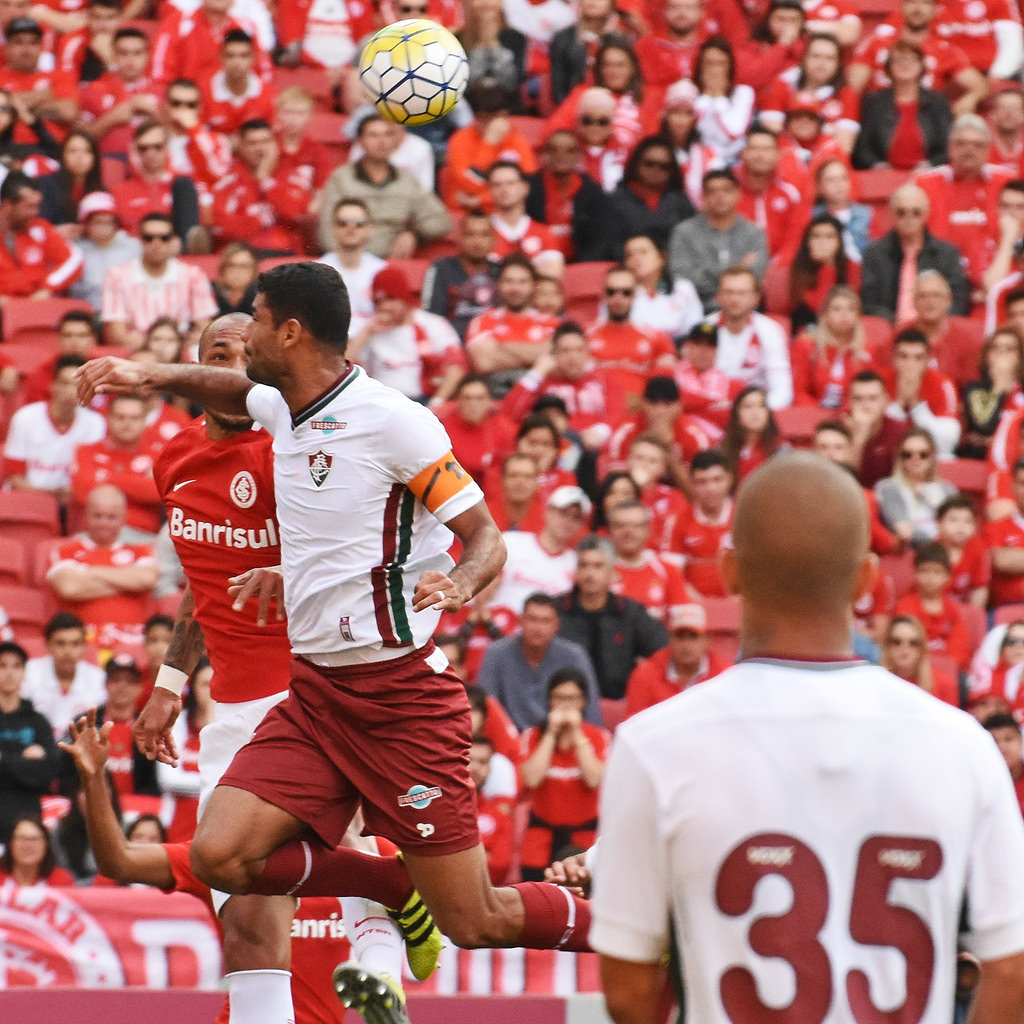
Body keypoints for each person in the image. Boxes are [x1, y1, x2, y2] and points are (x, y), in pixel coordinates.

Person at [77, 261, 596, 972]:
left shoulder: (394, 423)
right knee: (220, 854)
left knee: (477, 918)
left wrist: (461, 582)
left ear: (289, 331)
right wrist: (146, 375)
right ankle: (388, 881)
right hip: (317, 697)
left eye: (255, 320)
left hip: (401, 701)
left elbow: (487, 538)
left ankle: (635, 929)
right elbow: (231, 389)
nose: (246, 333)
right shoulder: (283, 404)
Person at [591, 452, 1024, 1024]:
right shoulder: (962, 742)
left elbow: (628, 992)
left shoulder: (653, 744)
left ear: (729, 571)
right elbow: (1013, 966)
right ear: (867, 577)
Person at [317, 114, 452, 259]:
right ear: (360, 141)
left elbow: (441, 221)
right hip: (347, 261)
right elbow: (326, 232)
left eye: (388, 135)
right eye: (373, 135)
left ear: (396, 141)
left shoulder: (406, 180)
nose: (381, 142)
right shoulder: (341, 178)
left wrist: (414, 234)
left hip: (389, 263)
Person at [518, 668, 609, 881]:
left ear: (583, 701)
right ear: (549, 700)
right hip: (540, 837)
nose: (565, 704)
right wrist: (550, 734)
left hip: (583, 838)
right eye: (559, 698)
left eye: (572, 698)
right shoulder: (533, 736)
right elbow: (531, 778)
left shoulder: (598, 737)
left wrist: (577, 733)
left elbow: (594, 778)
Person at [555, 536, 668, 701]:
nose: (590, 573)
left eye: (598, 566)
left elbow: (663, 651)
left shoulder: (630, 612)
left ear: (611, 572)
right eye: (584, 565)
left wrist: (643, 678)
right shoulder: (556, 610)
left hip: (620, 701)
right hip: (564, 701)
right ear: (576, 571)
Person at [477, 591, 602, 732]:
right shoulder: (496, 653)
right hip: (508, 743)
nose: (538, 628)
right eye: (532, 619)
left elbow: (591, 714)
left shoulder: (575, 657)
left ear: (557, 625)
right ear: (520, 621)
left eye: (546, 621)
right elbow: (485, 708)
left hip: (561, 739)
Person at [348, 264, 467, 405]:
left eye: (391, 299)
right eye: (379, 302)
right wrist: (367, 332)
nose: (385, 307)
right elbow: (341, 367)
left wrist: (436, 403)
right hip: (382, 403)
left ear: (405, 299)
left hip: (425, 400)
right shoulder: (369, 328)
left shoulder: (431, 323)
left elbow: (457, 366)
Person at [100, 211, 218, 349]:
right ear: (140, 239)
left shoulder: (193, 275)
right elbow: (116, 335)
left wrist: (173, 348)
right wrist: (156, 350)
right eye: (149, 238)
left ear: (173, 240)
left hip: (179, 351)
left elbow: (205, 328)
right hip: (135, 353)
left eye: (164, 238)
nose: (156, 243)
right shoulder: (116, 276)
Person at [3, 353, 105, 510]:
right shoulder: (26, 417)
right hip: (28, 497)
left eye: (77, 384)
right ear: (53, 385)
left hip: (72, 502)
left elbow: (91, 476)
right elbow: (16, 479)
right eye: (65, 383)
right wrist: (50, 495)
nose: (71, 390)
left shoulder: (95, 423)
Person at [860, 183, 969, 322]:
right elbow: (870, 303)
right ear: (891, 214)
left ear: (926, 215)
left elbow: (957, 301)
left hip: (934, 329)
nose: (908, 218)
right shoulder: (873, 254)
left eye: (916, 212)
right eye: (901, 212)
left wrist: (934, 325)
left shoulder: (947, 253)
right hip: (891, 330)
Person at [668, 169, 769, 313]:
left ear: (738, 194)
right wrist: (738, 269)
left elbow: (755, 275)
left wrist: (705, 271)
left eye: (726, 190)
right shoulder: (684, 232)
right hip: (697, 309)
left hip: (745, 311)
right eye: (712, 191)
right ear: (703, 196)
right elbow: (683, 275)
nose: (720, 196)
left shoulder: (753, 233)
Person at [851, 40, 952, 172]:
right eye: (898, 60)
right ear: (888, 67)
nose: (904, 64)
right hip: (882, 177)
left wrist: (931, 164)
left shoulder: (938, 102)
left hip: (927, 174)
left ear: (922, 66)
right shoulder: (873, 102)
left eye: (911, 60)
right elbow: (862, 148)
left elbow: (948, 146)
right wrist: (876, 165)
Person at [704, 265, 794, 409]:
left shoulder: (770, 331)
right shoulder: (704, 328)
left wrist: (750, 411)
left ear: (756, 298)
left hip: (756, 411)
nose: (734, 299)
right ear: (718, 296)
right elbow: (691, 382)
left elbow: (782, 391)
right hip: (713, 408)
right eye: (729, 292)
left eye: (742, 293)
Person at [623, 603, 730, 717]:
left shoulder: (725, 676)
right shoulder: (644, 675)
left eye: (693, 637)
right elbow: (635, 726)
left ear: (707, 640)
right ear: (670, 639)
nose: (686, 645)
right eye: (680, 636)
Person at [0, 640, 59, 844]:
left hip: (27, 823)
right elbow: (36, 769)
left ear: (24, 673)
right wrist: (23, 759)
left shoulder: (38, 721)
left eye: (16, 666)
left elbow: (49, 771)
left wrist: (4, 758)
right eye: (2, 665)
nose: (9, 672)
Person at [0, 170, 83, 304]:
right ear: (7, 205)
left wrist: (47, 288)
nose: (36, 212)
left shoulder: (40, 229)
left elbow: (74, 259)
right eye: (29, 207)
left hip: (36, 307)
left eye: (37, 206)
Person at [21, 612, 106, 736]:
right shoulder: (27, 673)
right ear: (47, 645)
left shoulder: (99, 680)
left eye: (75, 644)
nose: (68, 651)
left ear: (84, 646)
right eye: (61, 643)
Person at [894, 541, 972, 673]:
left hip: (946, 671)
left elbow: (959, 649)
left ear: (947, 576)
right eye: (924, 571)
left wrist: (946, 667)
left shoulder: (952, 610)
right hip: (914, 670)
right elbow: (903, 646)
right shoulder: (905, 606)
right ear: (915, 572)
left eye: (937, 572)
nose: (930, 578)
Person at [874, 427, 957, 545]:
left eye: (923, 454)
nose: (915, 459)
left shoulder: (948, 489)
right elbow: (903, 532)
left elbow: (958, 527)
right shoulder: (888, 488)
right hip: (907, 555)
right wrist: (939, 540)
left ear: (932, 457)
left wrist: (932, 496)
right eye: (907, 454)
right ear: (900, 458)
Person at [960, 327, 1024, 459]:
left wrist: (993, 441)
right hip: (980, 458)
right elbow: (984, 426)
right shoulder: (975, 389)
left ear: (1020, 356)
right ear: (987, 355)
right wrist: (999, 389)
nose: (1002, 353)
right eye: (996, 348)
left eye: (1009, 349)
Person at [880, 611, 960, 706]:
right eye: (896, 642)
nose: (904, 648)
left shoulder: (944, 685)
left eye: (913, 643)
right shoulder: (877, 685)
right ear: (887, 647)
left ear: (921, 649)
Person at [720, 385, 786, 483]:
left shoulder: (781, 450)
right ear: (737, 414)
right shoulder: (722, 449)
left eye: (761, 406)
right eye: (748, 407)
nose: (755, 412)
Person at [0, 815, 75, 886]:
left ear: (45, 846)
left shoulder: (61, 880)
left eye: (34, 839)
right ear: (10, 844)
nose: (28, 845)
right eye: (22, 838)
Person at [982, 712, 1024, 818]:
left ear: (1020, 742)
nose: (1002, 747)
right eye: (994, 741)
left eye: (1008, 739)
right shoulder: (980, 784)